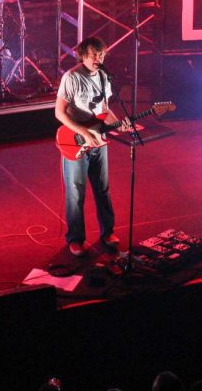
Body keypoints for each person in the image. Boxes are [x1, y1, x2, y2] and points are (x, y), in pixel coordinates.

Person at [56, 36, 127, 257]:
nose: (99, 58)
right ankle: (75, 239)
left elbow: (103, 108)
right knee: (76, 192)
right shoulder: (72, 77)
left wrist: (117, 123)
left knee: (102, 189)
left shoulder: (104, 76)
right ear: (83, 56)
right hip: (76, 139)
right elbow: (59, 112)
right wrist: (83, 132)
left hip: (99, 140)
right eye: (94, 55)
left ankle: (108, 232)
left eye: (102, 54)